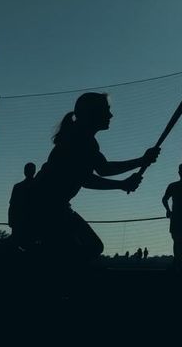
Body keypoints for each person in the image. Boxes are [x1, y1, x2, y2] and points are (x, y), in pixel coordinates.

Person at [27, 93, 159, 268]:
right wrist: (123, 183)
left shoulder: (84, 139)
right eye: (106, 110)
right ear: (92, 113)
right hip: (45, 207)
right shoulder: (78, 139)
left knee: (88, 248)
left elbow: (103, 169)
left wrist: (141, 162)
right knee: (87, 248)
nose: (111, 115)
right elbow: (87, 179)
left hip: (53, 206)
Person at [8, 163, 37, 247]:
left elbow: (12, 205)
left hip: (29, 221)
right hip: (22, 221)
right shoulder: (18, 187)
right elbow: (12, 204)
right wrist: (11, 219)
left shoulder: (18, 186)